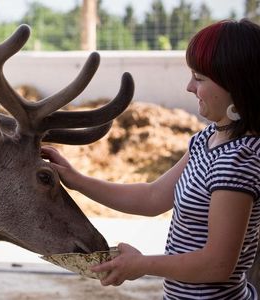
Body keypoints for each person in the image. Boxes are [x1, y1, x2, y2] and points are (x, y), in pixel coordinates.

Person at [41, 18, 260, 299]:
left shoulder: (237, 161)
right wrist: (78, 180)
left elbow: (217, 265)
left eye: (200, 79)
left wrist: (142, 264)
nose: (189, 87)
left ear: (236, 85)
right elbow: (153, 196)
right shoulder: (208, 139)